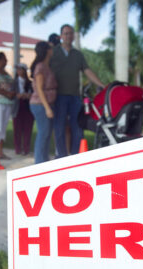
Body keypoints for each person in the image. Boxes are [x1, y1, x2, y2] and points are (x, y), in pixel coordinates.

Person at [51, 24, 105, 157]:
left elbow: (87, 71)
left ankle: (77, 156)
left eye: (71, 33)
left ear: (74, 36)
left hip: (75, 97)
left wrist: (102, 85)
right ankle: (61, 157)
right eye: (66, 33)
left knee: (78, 127)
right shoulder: (53, 52)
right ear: (61, 36)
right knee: (59, 128)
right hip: (58, 96)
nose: (69, 36)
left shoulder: (78, 55)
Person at [30, 41, 57, 164]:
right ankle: (39, 161)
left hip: (47, 103)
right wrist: (47, 108)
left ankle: (43, 159)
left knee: (46, 133)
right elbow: (39, 89)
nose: (52, 50)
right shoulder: (40, 67)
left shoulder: (47, 66)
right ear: (47, 51)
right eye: (50, 48)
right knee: (43, 132)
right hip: (40, 104)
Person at [12, 63, 34, 155]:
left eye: (21, 69)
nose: (19, 71)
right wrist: (17, 95)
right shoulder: (14, 82)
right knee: (17, 128)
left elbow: (33, 93)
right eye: (18, 69)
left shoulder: (30, 83)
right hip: (17, 106)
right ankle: (18, 148)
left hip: (28, 106)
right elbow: (11, 93)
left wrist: (28, 95)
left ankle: (26, 148)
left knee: (27, 128)